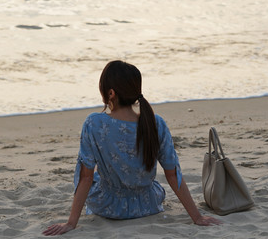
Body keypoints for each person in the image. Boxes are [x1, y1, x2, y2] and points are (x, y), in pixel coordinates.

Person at [43, 60, 221, 236]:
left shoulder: (94, 123)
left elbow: (85, 178)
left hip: (108, 206)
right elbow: (173, 174)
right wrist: (196, 217)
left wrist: (71, 223)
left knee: (89, 171)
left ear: (110, 93)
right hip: (148, 204)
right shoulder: (155, 122)